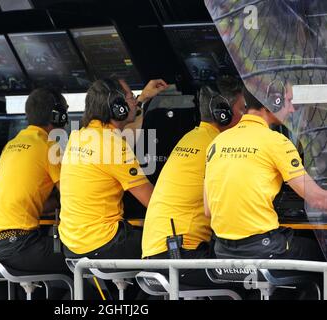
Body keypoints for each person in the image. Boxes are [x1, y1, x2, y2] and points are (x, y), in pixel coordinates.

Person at [204, 82, 327, 262]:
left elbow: (208, 210)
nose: (292, 109)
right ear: (273, 102)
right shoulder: (276, 142)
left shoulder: (217, 142)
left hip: (222, 250)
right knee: (317, 252)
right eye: (288, 101)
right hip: (262, 249)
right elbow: (317, 199)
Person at [142, 76, 245, 286]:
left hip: (158, 254)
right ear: (223, 113)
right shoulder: (219, 146)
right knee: (254, 277)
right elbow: (230, 207)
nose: (245, 116)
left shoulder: (191, 137)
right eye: (242, 109)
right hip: (181, 256)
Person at [59, 78, 168, 262]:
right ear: (118, 107)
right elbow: (154, 202)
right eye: (131, 97)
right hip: (103, 242)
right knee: (168, 246)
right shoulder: (113, 145)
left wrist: (142, 98)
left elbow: (124, 129)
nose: (134, 101)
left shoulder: (78, 135)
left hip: (72, 243)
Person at [0, 88, 71, 280]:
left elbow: (28, 197)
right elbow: (72, 196)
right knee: (81, 259)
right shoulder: (49, 146)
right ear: (58, 116)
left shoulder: (11, 144)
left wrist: (54, 202)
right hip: (17, 245)